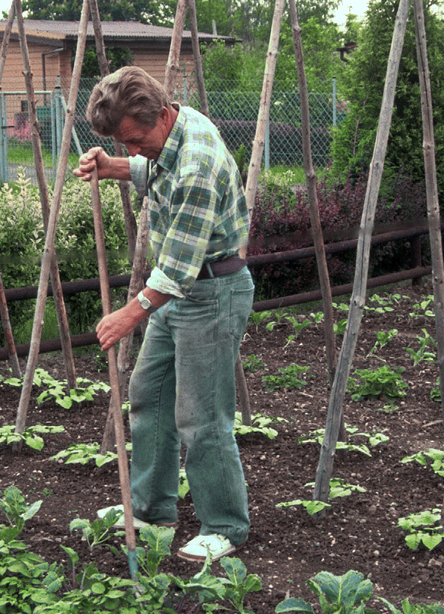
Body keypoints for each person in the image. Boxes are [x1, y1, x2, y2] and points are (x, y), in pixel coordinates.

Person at [73, 65, 253, 563]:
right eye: (122, 142)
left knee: (202, 417)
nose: (134, 149)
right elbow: (155, 165)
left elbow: (174, 269)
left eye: (134, 140)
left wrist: (128, 314)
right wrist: (114, 165)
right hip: (180, 292)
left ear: (160, 114)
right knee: (148, 396)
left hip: (212, 292)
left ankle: (225, 525)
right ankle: (152, 508)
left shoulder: (198, 165)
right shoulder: (173, 128)